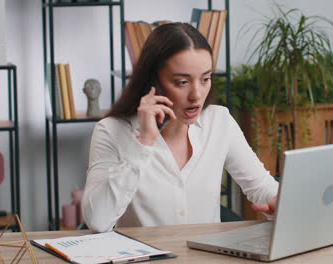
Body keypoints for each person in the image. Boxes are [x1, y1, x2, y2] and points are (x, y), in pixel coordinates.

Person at [82, 22, 278, 233]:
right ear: (153, 81)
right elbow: (98, 221)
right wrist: (143, 141)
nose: (197, 94)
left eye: (205, 79)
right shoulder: (111, 131)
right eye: (182, 82)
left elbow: (262, 188)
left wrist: (278, 203)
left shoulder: (219, 121)